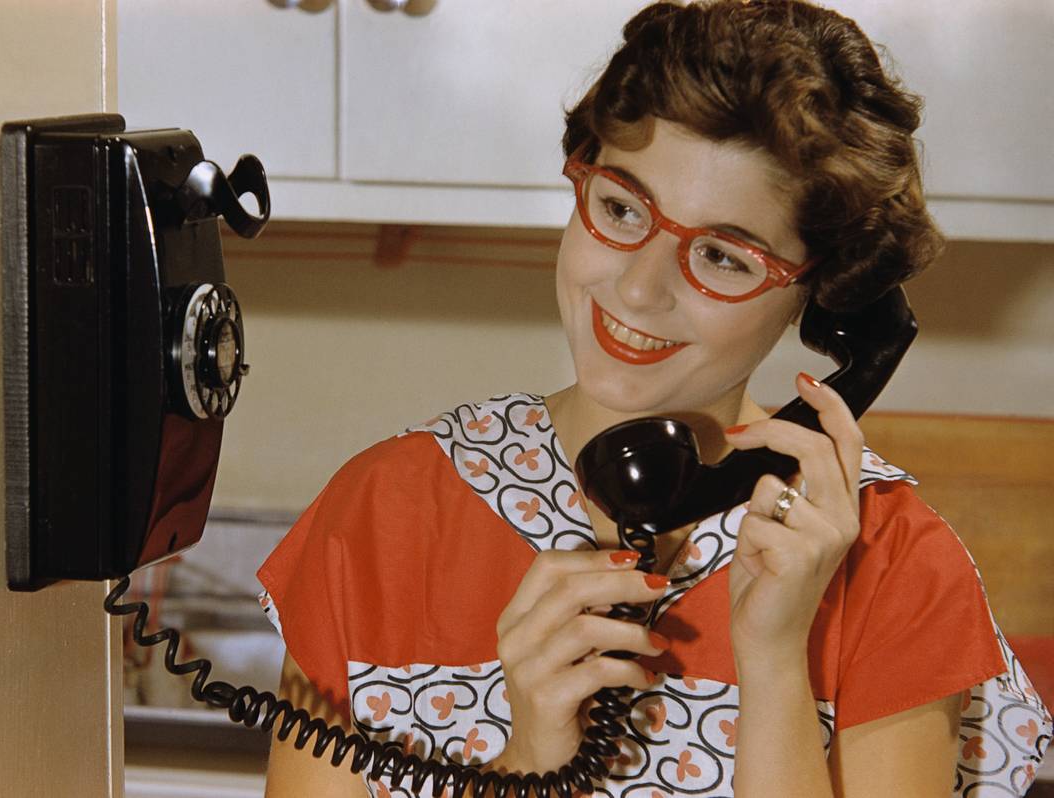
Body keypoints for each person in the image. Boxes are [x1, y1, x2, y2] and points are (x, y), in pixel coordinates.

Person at [256, 2, 1051, 795]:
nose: (638, 288)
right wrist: (527, 761)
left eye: (722, 257)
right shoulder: (378, 517)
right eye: (620, 208)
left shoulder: (894, 566)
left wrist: (775, 668)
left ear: (825, 300)